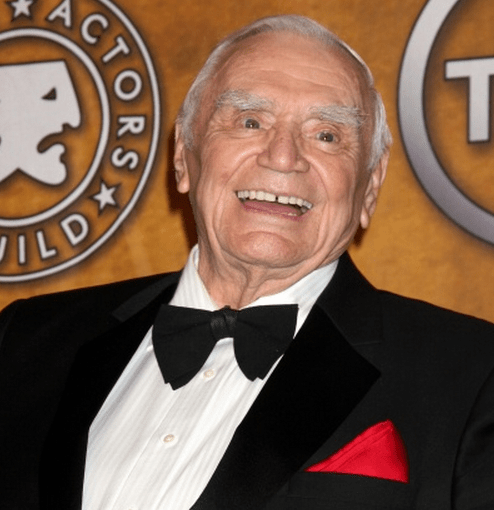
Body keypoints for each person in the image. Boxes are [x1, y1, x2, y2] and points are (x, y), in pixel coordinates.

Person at [1, 14, 494, 510]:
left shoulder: (473, 377)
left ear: (369, 185)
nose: (283, 157)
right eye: (250, 121)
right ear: (182, 156)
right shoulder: (23, 343)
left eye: (326, 134)